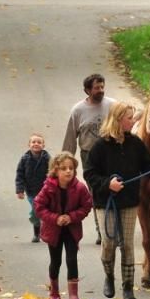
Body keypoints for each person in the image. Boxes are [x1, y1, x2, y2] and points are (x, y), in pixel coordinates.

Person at [84, 101, 150, 299]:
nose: (133, 121)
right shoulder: (100, 146)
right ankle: (109, 276)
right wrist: (107, 184)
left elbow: (147, 165)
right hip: (106, 202)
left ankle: (128, 286)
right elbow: (89, 173)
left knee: (128, 245)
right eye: (130, 118)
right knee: (109, 243)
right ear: (118, 119)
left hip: (130, 201)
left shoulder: (135, 143)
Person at [33, 151, 93, 299]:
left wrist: (72, 217)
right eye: (64, 168)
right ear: (56, 170)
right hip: (54, 230)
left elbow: (87, 206)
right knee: (56, 261)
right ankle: (54, 290)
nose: (68, 171)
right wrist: (55, 218)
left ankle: (74, 295)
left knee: (72, 260)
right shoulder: (48, 188)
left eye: (71, 168)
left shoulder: (80, 188)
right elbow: (39, 206)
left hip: (72, 230)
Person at [62, 73, 114, 245]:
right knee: (96, 191)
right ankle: (101, 230)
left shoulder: (112, 105)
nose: (101, 90)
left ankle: (114, 227)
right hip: (89, 156)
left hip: (110, 153)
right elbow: (71, 137)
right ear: (87, 90)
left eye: (102, 87)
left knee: (114, 188)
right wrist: (66, 162)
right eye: (96, 88)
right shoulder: (78, 110)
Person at [15, 133, 51, 243]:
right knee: (35, 212)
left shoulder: (47, 159)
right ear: (29, 144)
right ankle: (37, 232)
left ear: (43, 145)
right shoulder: (24, 159)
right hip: (31, 191)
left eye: (39, 142)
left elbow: (52, 172)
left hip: (45, 191)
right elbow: (20, 175)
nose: (36, 144)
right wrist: (20, 190)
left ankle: (46, 231)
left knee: (45, 212)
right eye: (33, 142)